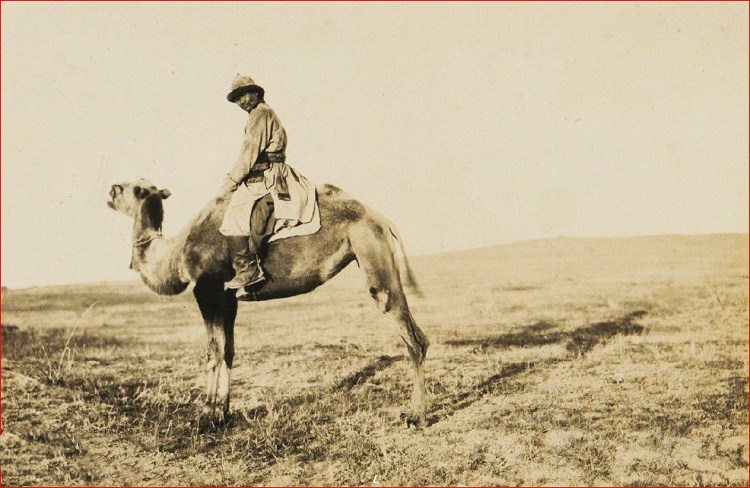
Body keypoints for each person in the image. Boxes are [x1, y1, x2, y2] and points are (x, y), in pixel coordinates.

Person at [219, 74, 316, 290]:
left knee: (233, 217)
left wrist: (230, 183)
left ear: (256, 93)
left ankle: (249, 270)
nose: (241, 101)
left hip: (266, 177)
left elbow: (249, 153)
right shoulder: (262, 113)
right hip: (271, 174)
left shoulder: (261, 113)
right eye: (237, 98)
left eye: (244, 95)